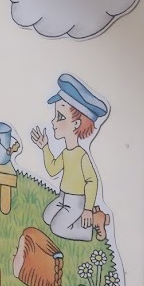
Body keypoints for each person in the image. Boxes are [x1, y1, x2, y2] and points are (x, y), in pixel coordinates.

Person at [31, 73, 109, 241]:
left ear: (76, 124)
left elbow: (92, 181)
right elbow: (53, 170)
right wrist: (45, 147)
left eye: (60, 117)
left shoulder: (81, 156)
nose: (53, 122)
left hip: (77, 201)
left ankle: (95, 220)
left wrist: (87, 208)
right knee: (47, 217)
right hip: (63, 196)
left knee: (57, 228)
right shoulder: (66, 152)